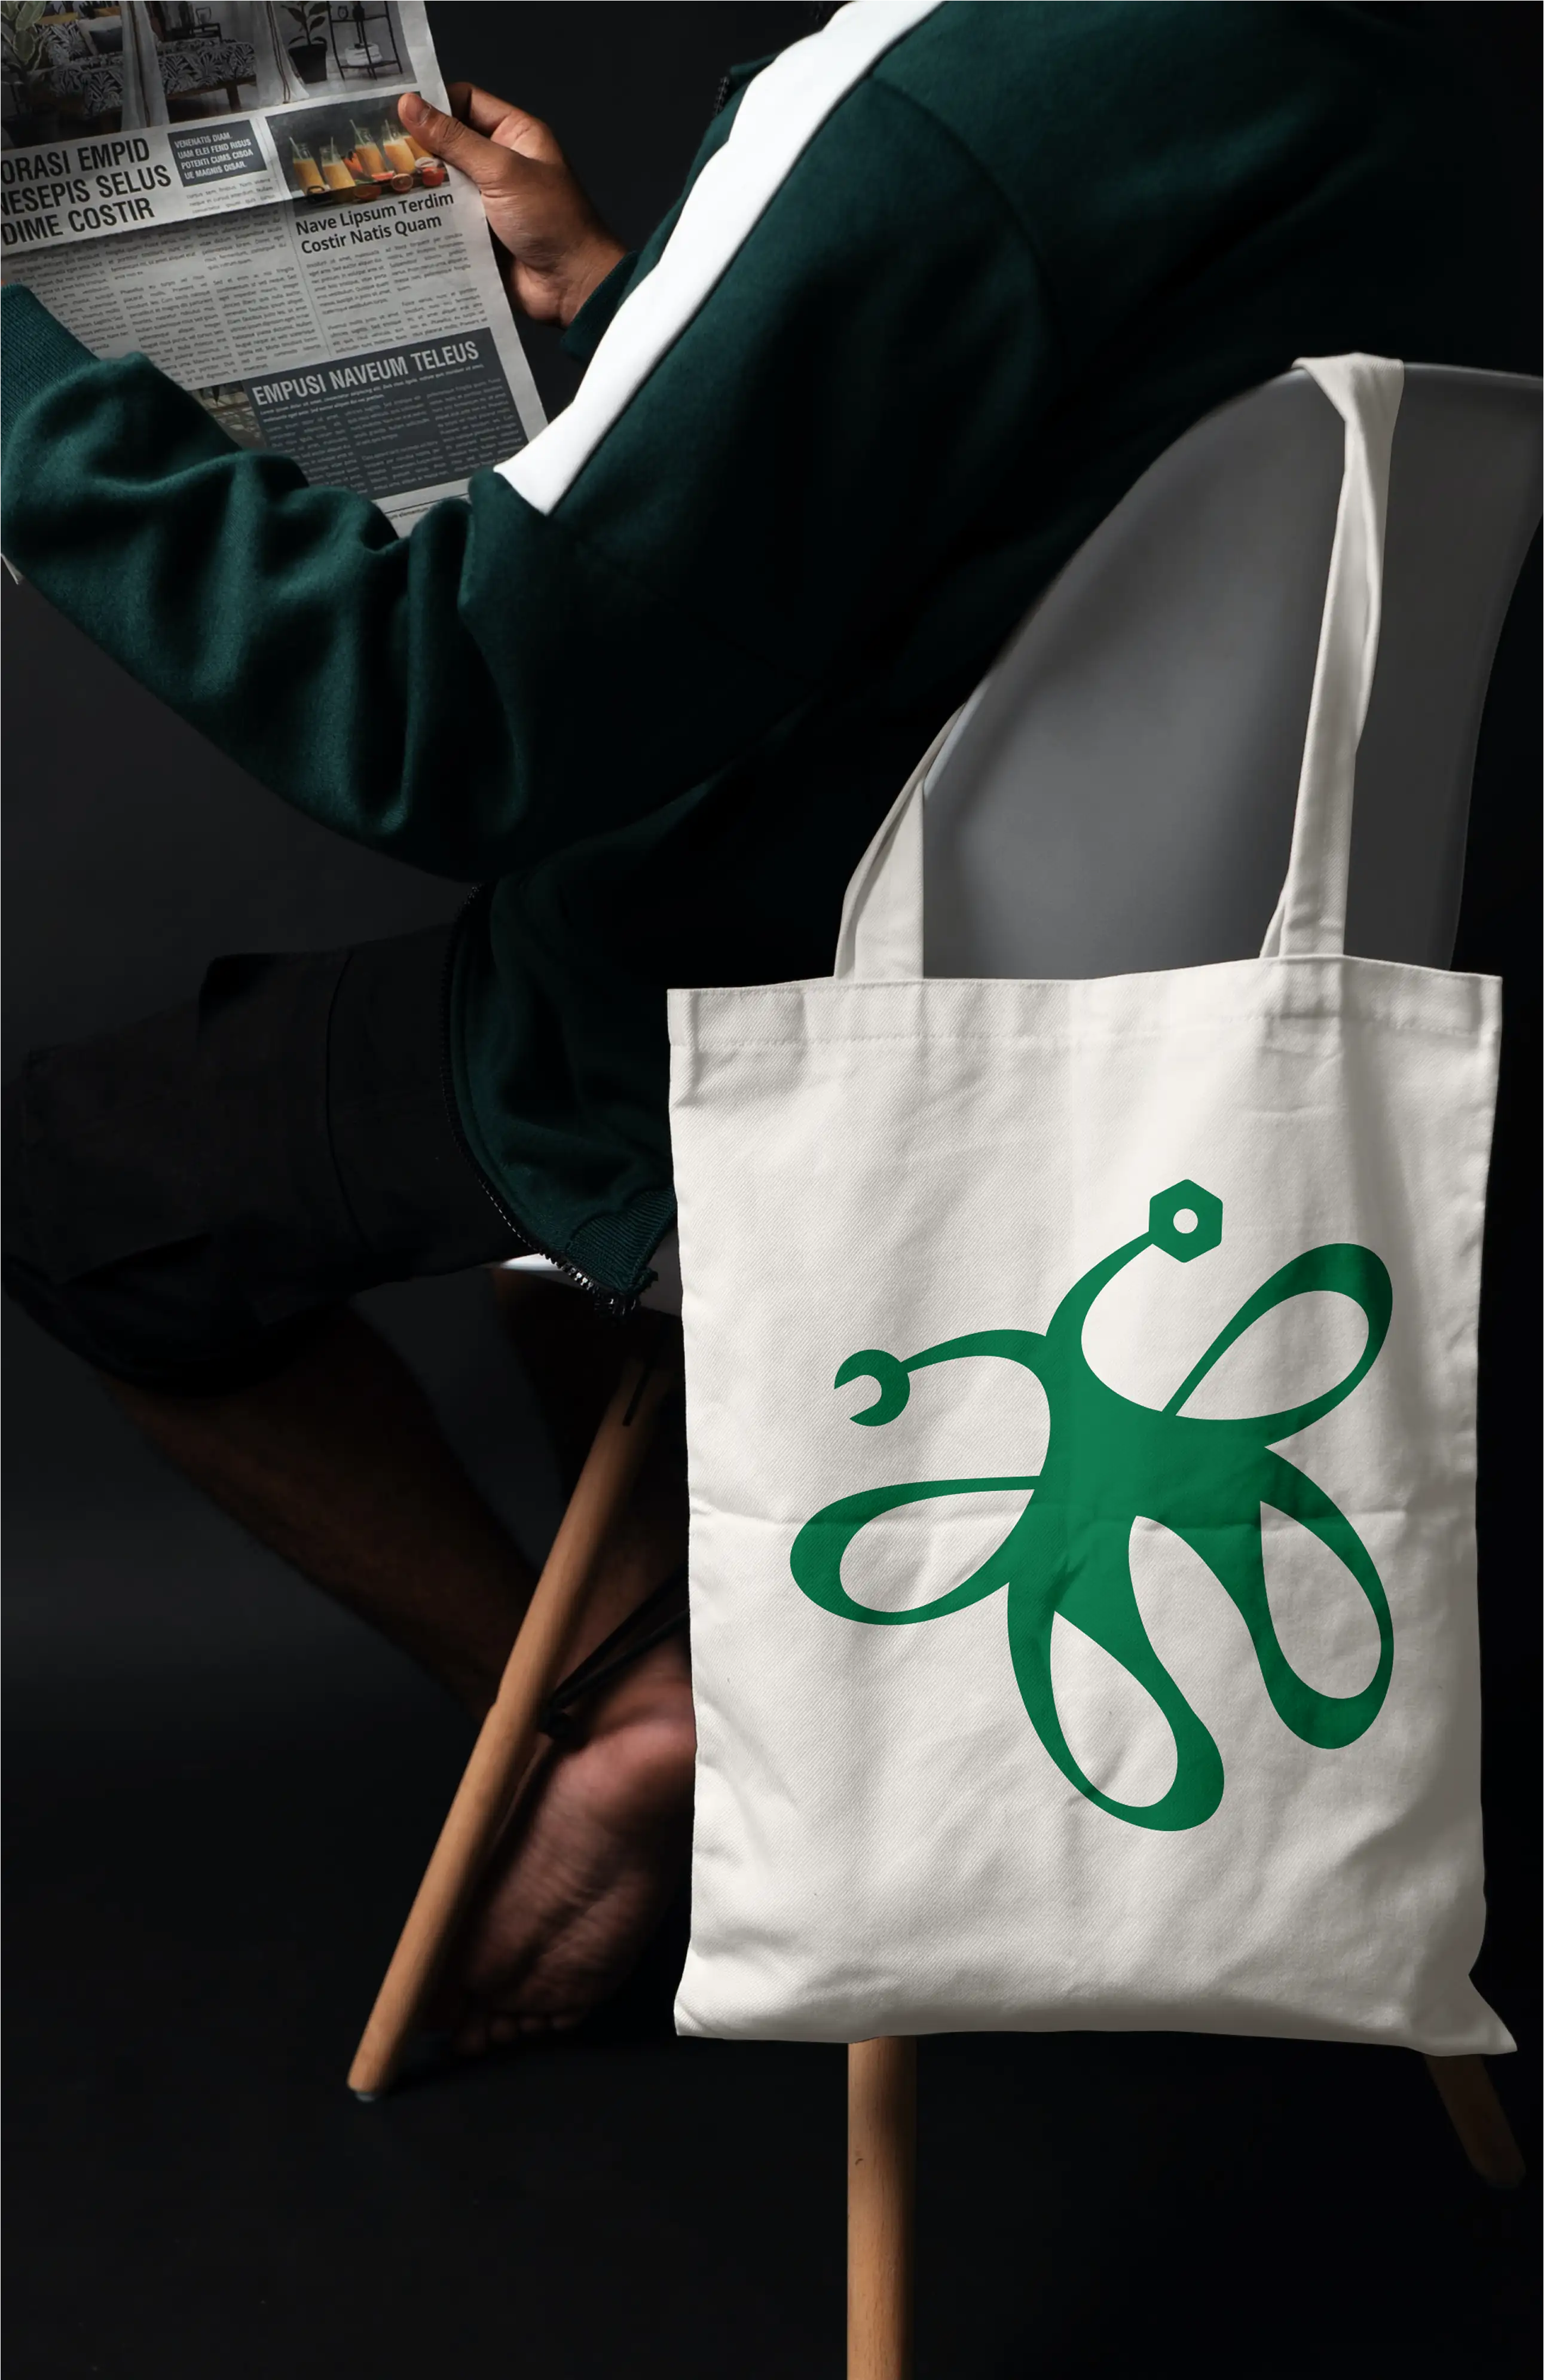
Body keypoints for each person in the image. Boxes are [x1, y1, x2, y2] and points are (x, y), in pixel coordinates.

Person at [0, 0, 1528, 2054]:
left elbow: (436, 718)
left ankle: (646, 1736)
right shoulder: (1407, 75)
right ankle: (719, 1669)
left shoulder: (941, 102)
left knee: (82, 1185)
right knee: (564, 1249)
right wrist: (642, 300)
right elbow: (1101, 523)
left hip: (787, 1046)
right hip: (1198, 1083)